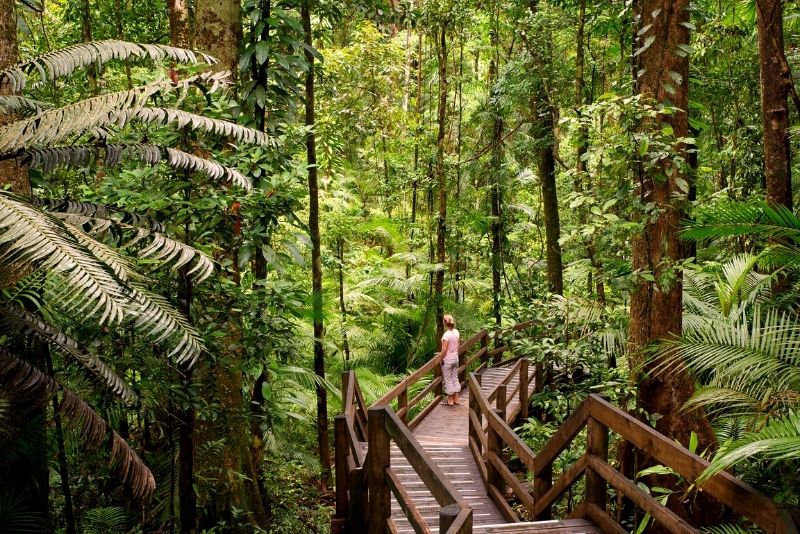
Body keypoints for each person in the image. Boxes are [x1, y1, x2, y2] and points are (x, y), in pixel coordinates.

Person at [439, 314, 461, 406]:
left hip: (447, 359)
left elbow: (444, 350)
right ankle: (456, 399)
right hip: (455, 358)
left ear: (445, 323)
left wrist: (441, 358)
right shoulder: (456, 332)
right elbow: (458, 345)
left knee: (448, 379)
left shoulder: (446, 335)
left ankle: (450, 400)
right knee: (455, 378)